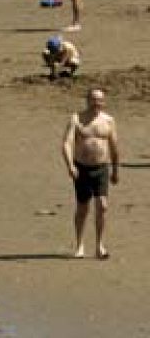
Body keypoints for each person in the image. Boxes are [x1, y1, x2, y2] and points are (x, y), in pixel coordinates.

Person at [62, 88, 120, 259]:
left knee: (102, 205)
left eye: (100, 100)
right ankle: (79, 245)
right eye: (94, 99)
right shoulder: (77, 119)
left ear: (104, 102)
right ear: (87, 100)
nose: (97, 103)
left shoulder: (109, 121)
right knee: (83, 207)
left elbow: (115, 147)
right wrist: (70, 165)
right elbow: (66, 143)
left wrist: (115, 170)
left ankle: (99, 245)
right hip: (82, 168)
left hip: (101, 168)